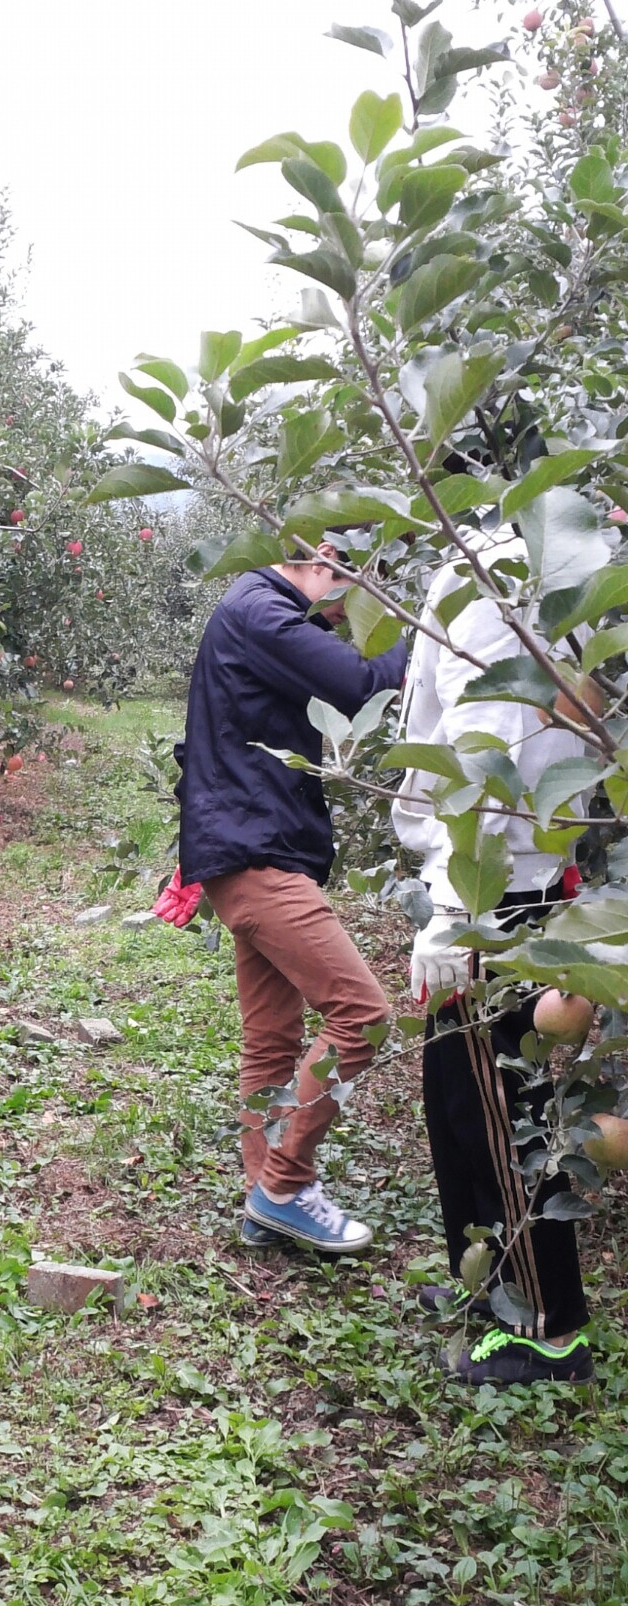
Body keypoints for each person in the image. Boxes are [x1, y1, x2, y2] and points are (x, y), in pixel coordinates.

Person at [393, 532, 593, 1385]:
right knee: (459, 1104)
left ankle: (547, 1326)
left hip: (492, 891)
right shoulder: (497, 557)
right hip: (491, 884)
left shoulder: (496, 566)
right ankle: (489, 1291)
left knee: (499, 1113)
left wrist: (454, 907)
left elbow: (490, 738)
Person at [176, 543, 408, 1254]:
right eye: (354, 596)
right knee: (362, 1016)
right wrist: (425, 635)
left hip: (248, 849)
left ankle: (265, 1199)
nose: (345, 618)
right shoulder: (264, 613)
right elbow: (362, 685)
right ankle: (284, 1185)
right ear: (328, 556)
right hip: (257, 855)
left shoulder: (251, 609)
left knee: (272, 1038)